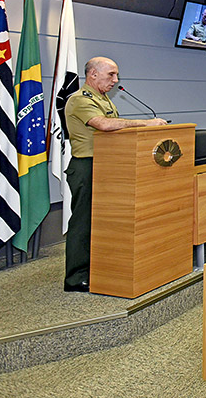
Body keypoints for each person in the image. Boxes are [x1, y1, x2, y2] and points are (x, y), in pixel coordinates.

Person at [63, 57, 167, 292]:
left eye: (116, 75)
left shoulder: (103, 99)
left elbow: (116, 130)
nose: (115, 80)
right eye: (111, 74)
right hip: (87, 166)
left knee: (104, 222)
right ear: (93, 75)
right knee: (84, 221)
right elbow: (104, 125)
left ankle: (100, 268)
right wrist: (146, 124)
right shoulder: (80, 99)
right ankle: (75, 276)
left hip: (109, 167)